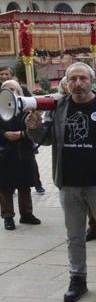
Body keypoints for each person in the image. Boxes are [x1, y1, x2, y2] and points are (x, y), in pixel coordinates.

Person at [25, 62, 96, 302]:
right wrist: (34, 129)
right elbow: (47, 138)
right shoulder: (59, 106)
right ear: (66, 83)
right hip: (69, 183)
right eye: (72, 79)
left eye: (82, 78)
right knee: (74, 235)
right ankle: (77, 279)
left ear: (91, 81)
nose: (78, 83)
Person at [0, 80, 41, 230]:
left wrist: (23, 134)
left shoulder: (27, 108)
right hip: (5, 154)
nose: (11, 91)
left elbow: (36, 130)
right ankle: (8, 217)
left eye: (13, 89)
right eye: (7, 89)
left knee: (25, 186)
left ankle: (26, 214)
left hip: (23, 152)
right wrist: (4, 134)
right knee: (5, 188)